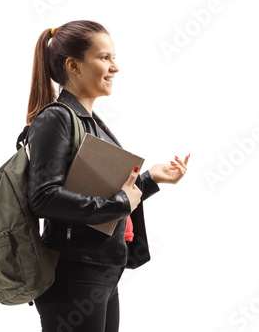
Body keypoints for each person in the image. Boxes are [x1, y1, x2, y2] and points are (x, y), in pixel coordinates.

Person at [25, 20, 190, 332]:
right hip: (74, 273)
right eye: (104, 58)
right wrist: (119, 203)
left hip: (100, 270)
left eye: (114, 57)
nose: (115, 67)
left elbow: (102, 191)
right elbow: (43, 197)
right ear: (73, 65)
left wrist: (151, 179)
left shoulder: (90, 122)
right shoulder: (56, 119)